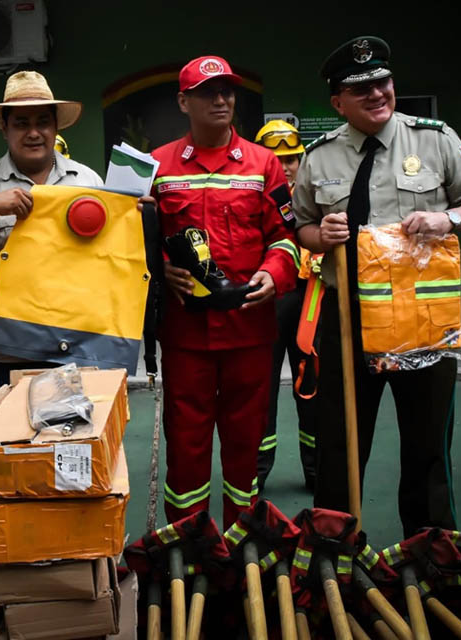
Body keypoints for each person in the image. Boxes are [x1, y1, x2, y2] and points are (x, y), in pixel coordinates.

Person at [292, 36, 461, 536]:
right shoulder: (318, 156)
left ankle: (431, 551)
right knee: (340, 444)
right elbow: (300, 225)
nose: (376, 94)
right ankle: (335, 551)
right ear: (337, 101)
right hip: (347, 322)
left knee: (429, 446)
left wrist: (446, 217)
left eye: (382, 82)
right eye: (359, 88)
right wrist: (320, 235)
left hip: (421, 322)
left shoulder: (435, 139)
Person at [151, 56, 299, 526]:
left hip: (249, 328)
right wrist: (162, 269)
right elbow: (128, 240)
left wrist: (275, 273)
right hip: (185, 331)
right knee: (187, 443)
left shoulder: (264, 164)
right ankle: (186, 543)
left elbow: (285, 235)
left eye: (227, 92)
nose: (221, 100)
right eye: (207, 92)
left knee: (244, 441)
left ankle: (241, 538)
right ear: (183, 101)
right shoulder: (155, 164)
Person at [0, 71, 110, 386]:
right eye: (21, 123)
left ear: (55, 127)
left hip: (76, 349)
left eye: (42, 122)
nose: (34, 132)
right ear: (5, 129)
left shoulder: (88, 182)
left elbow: (106, 259)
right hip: (5, 356)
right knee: (3, 436)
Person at [253, 119, 319, 493]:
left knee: (311, 388)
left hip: (310, 302)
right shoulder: (253, 199)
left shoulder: (316, 196)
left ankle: (316, 470)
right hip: (269, 304)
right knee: (261, 392)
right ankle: (256, 472)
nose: (288, 165)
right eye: (279, 159)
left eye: (292, 158)